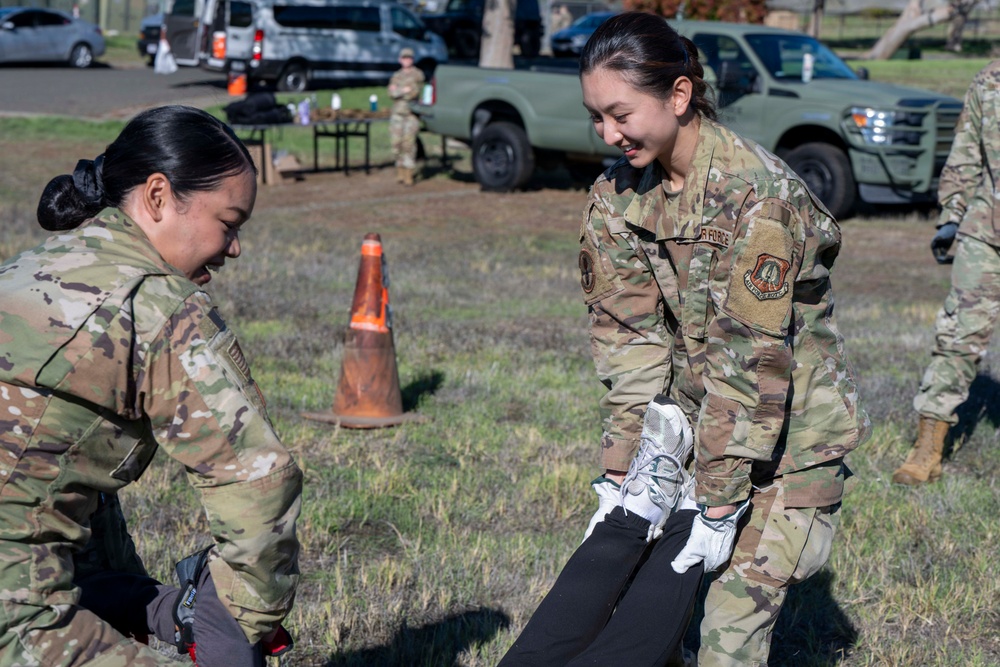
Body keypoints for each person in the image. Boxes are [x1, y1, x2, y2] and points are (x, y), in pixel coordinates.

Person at [548, 12, 868, 666]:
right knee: (649, 618)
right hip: (701, 429)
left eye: (621, 113)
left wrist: (719, 502)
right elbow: (628, 339)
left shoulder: (757, 198)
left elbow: (749, 361)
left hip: (790, 440)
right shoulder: (618, 197)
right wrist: (621, 471)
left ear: (678, 95)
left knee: (724, 635)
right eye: (596, 117)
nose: (608, 134)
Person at [0, 105, 302, 666]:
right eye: (229, 224)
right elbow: (259, 484)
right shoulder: (159, 309)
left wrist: (144, 606)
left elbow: (48, 463)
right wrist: (239, 624)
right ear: (158, 197)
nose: (234, 247)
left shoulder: (27, 268)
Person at [892, 59, 1000, 486]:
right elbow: (967, 150)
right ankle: (928, 448)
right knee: (958, 333)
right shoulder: (990, 80)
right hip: (987, 228)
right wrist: (952, 215)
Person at [388, 47, 426, 187]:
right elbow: (391, 93)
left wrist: (399, 91)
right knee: (396, 144)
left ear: (413, 60)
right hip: (397, 113)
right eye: (404, 58)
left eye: (409, 58)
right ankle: (400, 170)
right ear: (400, 60)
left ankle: (409, 173)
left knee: (408, 144)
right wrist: (403, 90)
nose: (406, 60)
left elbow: (414, 92)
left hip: (411, 113)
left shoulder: (417, 74)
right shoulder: (396, 75)